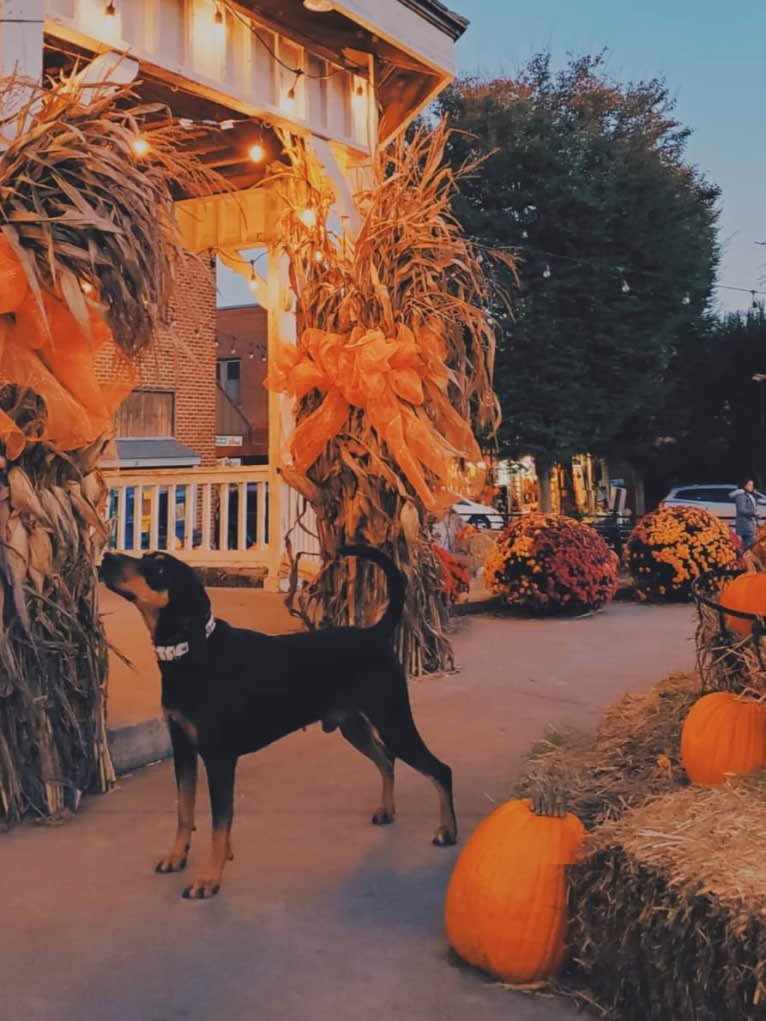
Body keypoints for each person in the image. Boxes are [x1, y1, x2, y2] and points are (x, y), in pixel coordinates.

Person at [732, 478, 758, 550]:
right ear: (744, 485)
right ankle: (742, 558)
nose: (751, 487)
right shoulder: (741, 496)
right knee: (750, 544)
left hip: (749, 523)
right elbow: (741, 510)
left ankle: (743, 558)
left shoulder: (748, 495)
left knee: (748, 544)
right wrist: (752, 513)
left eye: (752, 485)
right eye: (749, 485)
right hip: (745, 524)